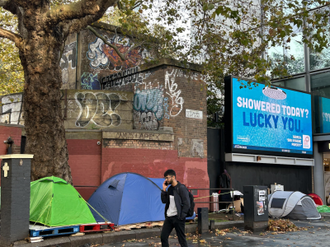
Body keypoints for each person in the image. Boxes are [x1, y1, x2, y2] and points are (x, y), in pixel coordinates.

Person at [160, 169, 190, 247]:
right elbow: (164, 201)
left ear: (173, 177)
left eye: (167, 178)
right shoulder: (170, 189)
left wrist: (181, 216)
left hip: (178, 217)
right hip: (169, 217)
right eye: (165, 178)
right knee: (163, 237)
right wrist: (164, 189)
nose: (166, 180)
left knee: (181, 240)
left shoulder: (181, 188)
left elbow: (187, 203)